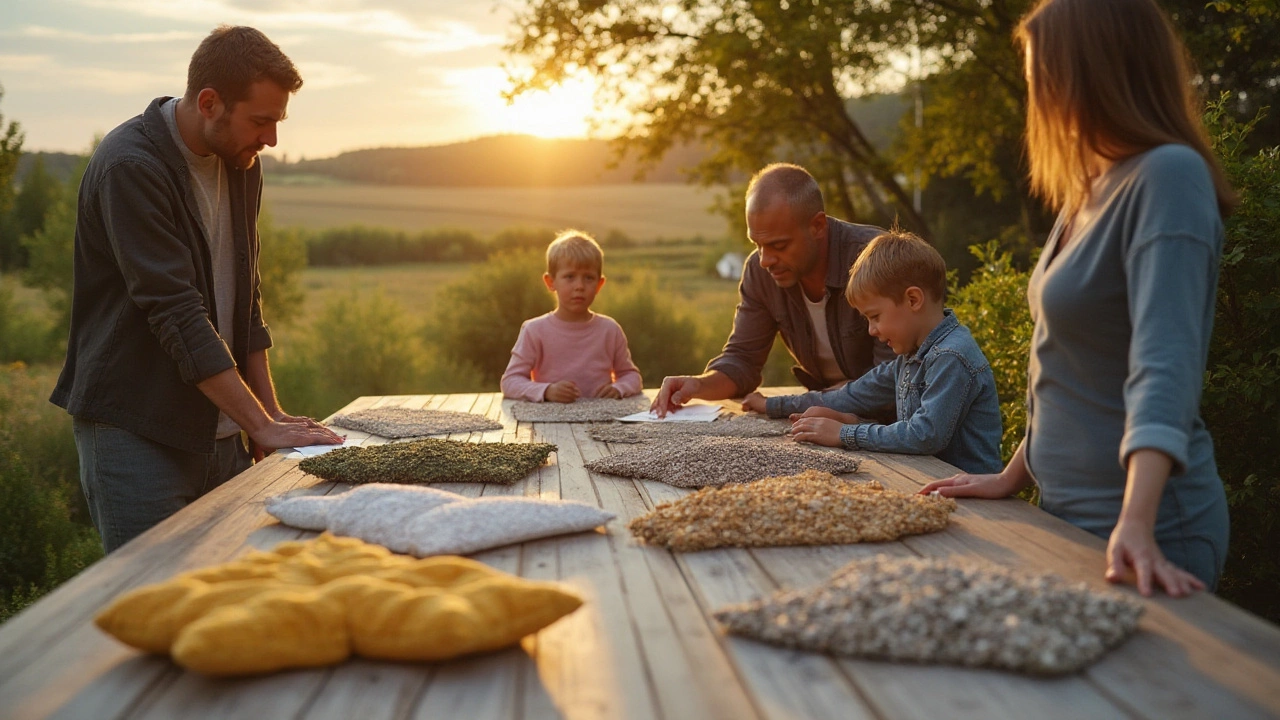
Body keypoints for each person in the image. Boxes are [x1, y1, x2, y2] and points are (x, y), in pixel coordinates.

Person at [921, 0, 1235, 598]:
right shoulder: (1087, 188)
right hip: (1065, 513)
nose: (1035, 98)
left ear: (1090, 71)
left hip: (1149, 529)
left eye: (1042, 77)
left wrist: (1136, 523)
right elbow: (1060, 362)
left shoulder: (1167, 176)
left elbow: (1164, 367)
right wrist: (1011, 475)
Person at [50, 26, 343, 553]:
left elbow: (245, 298)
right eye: (261, 121)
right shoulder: (130, 167)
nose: (271, 140)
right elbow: (178, 313)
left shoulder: (241, 162)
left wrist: (268, 418)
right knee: (153, 604)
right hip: (137, 433)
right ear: (209, 103)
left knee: (234, 596)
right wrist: (259, 420)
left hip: (224, 431)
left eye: (277, 122)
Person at [744, 230, 1002, 474]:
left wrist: (844, 434)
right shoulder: (911, 357)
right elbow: (852, 395)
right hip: (933, 481)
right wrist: (772, 405)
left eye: (875, 316)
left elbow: (924, 435)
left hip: (975, 500)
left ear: (913, 300)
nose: (871, 330)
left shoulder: (951, 356)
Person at [652, 163, 894, 416]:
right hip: (822, 414)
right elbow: (742, 360)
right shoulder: (759, 272)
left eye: (779, 245)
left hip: (892, 425)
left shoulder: (875, 259)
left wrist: (789, 404)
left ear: (818, 226)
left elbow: (890, 382)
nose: (765, 259)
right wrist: (698, 385)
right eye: (757, 244)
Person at [501, 230, 643, 403]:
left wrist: (618, 388)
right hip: (549, 424)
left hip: (603, 423)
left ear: (599, 284)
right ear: (550, 282)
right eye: (569, 277)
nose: (579, 286)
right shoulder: (534, 330)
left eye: (588, 278)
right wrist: (546, 391)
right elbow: (510, 382)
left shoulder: (610, 329)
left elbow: (632, 376)